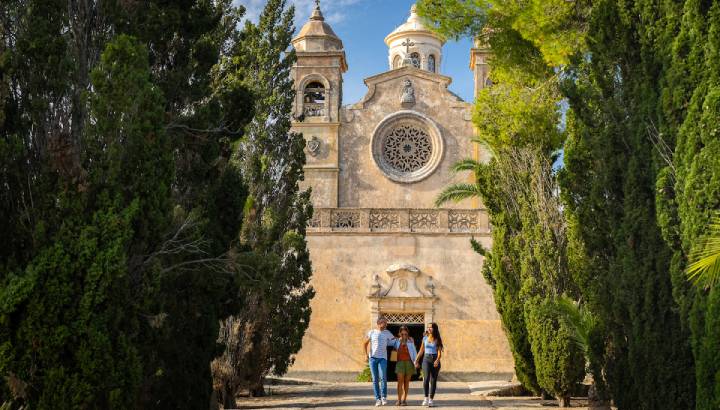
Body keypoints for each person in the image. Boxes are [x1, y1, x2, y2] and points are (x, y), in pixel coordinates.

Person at [363, 317, 396, 406]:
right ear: (379, 323)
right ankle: (378, 399)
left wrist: (406, 339)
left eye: (386, 323)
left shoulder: (388, 333)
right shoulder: (372, 332)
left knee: (383, 378)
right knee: (375, 379)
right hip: (373, 358)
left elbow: (395, 341)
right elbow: (365, 343)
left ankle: (384, 397)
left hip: (383, 358)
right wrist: (366, 355)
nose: (386, 324)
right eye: (384, 323)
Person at [414, 323, 443, 407]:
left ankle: (431, 400)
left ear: (434, 329)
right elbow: (421, 351)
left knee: (433, 381)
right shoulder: (424, 338)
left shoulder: (437, 339)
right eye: (428, 327)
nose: (429, 328)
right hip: (426, 359)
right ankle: (425, 398)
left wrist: (437, 360)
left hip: (434, 359)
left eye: (431, 327)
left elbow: (439, 353)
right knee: (426, 379)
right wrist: (416, 360)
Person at [393, 325, 417, 406]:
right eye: (402, 334)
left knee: (406, 382)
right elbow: (388, 342)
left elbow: (414, 352)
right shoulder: (396, 341)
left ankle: (404, 400)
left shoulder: (411, 341)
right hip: (400, 363)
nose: (404, 336)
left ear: (407, 334)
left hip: (409, 363)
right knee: (400, 382)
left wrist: (416, 361)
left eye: (405, 334)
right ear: (399, 333)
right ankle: (399, 400)